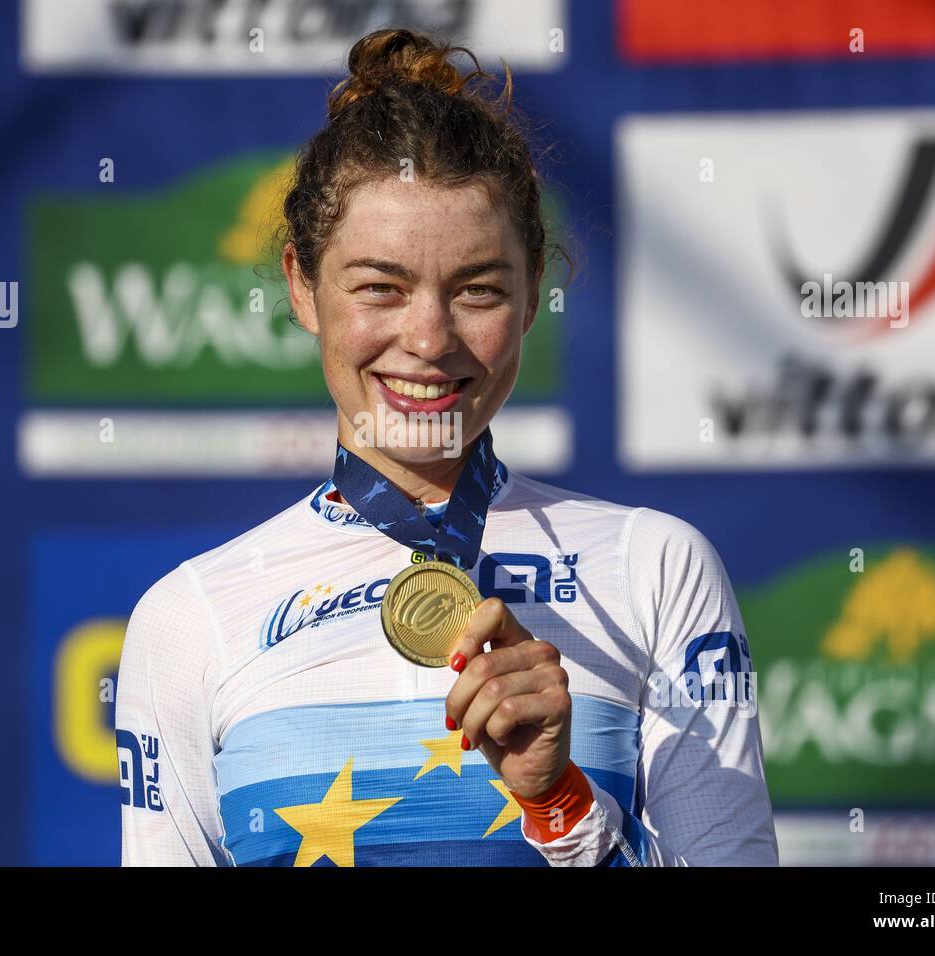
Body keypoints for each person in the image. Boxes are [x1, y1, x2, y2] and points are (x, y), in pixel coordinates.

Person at [115, 27, 778, 867]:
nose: (428, 339)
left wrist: (560, 802)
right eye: (380, 289)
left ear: (535, 292)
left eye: (477, 290)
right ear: (301, 285)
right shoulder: (189, 620)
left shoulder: (655, 569)